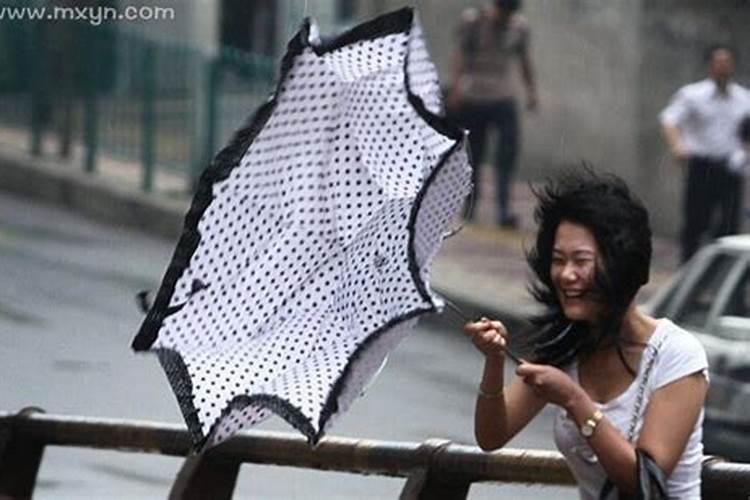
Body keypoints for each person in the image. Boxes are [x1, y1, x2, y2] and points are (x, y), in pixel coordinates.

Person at [463, 170, 709, 499]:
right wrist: (493, 362)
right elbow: (492, 435)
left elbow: (644, 484)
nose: (566, 275)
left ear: (620, 265)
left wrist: (574, 400)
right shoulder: (565, 344)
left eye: (581, 261)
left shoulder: (677, 354)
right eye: (558, 260)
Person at [448, 0, 538, 227]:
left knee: (507, 152)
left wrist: (531, 92)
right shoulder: (473, 22)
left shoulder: (519, 28)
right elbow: (459, 54)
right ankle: (471, 203)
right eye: (502, 13)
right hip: (474, 96)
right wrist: (456, 87)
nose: (504, 18)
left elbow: (524, 60)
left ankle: (504, 209)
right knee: (474, 154)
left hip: (503, 97)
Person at [660, 45, 750, 263]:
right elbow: (670, 119)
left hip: (730, 167)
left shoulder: (743, 98)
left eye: (727, 63)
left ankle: (721, 273)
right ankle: (688, 268)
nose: (723, 67)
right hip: (701, 165)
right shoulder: (693, 94)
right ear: (710, 66)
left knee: (728, 223)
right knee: (696, 221)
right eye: (719, 63)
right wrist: (677, 146)